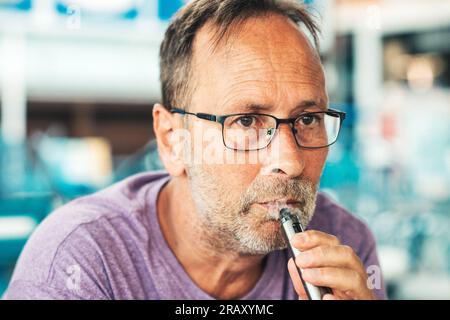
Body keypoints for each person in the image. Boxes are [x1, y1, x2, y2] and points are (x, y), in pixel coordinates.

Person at [3, 0, 386, 300]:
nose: (290, 160)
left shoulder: (345, 245)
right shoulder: (83, 259)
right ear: (172, 139)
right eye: (247, 122)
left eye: (307, 119)